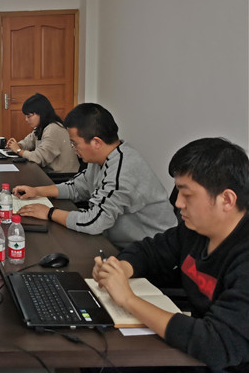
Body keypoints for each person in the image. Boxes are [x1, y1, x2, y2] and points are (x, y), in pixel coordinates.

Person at [92, 138, 249, 372]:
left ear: (226, 200)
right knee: (99, 356)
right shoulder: (195, 230)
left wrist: (128, 299)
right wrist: (119, 268)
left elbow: (215, 344)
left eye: (187, 194)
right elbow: (151, 250)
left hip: (225, 362)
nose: (178, 203)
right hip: (192, 346)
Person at [13, 102, 176, 248]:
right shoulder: (101, 158)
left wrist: (48, 213)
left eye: (74, 143)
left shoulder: (123, 170)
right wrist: (37, 191)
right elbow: (77, 187)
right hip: (118, 241)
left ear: (96, 142)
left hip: (154, 251)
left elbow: (94, 222)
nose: (73, 149)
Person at [6, 93, 80, 173]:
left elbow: (39, 158)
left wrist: (18, 150)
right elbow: (28, 142)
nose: (26, 120)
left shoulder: (53, 129)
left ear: (41, 113)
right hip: (49, 172)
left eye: (29, 116)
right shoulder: (41, 127)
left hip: (61, 176)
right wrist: (17, 145)